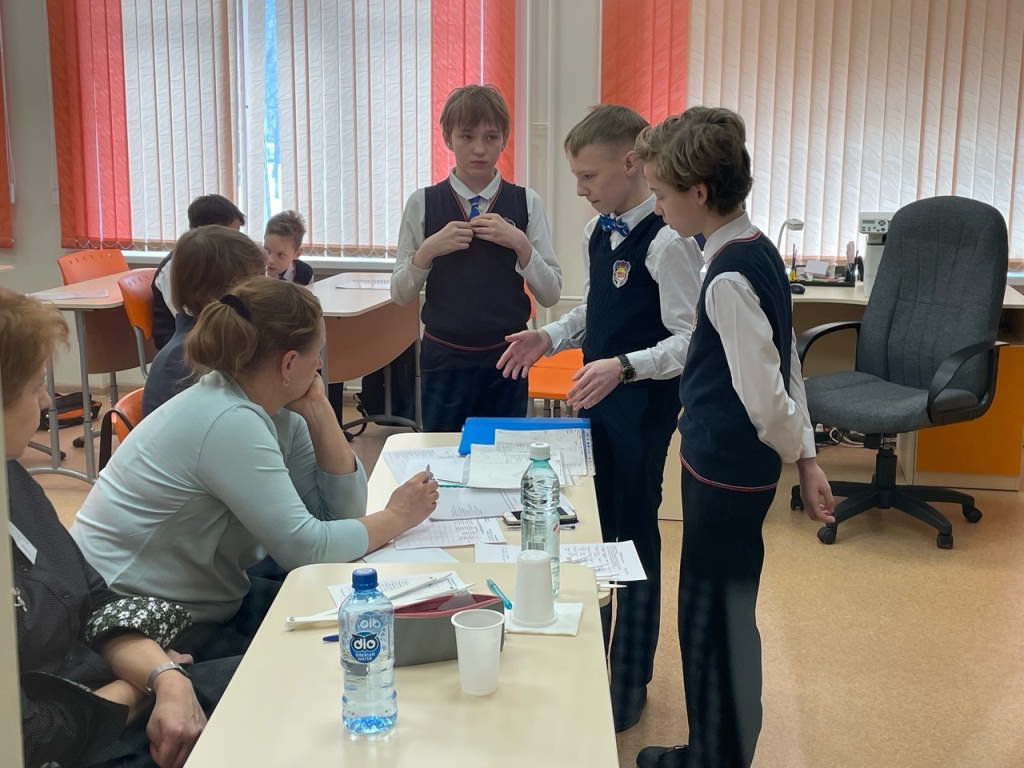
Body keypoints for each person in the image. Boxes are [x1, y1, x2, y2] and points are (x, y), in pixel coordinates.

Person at [72, 277, 439, 662]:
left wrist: (319, 410)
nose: (319, 365)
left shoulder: (273, 407)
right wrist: (398, 516)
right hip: (136, 618)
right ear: (289, 363)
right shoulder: (228, 420)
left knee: (347, 625)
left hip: (200, 597)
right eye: (317, 353)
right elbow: (308, 549)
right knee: (325, 658)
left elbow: (341, 519)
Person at [632, 108, 835, 768]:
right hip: (733, 472)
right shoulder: (755, 248)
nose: (657, 207)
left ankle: (712, 756)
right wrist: (807, 458)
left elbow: (766, 398)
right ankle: (720, 748)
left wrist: (796, 451)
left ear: (698, 192)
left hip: (724, 473)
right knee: (728, 609)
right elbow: (789, 360)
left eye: (662, 195)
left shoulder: (727, 280)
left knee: (711, 617)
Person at [497, 104, 704, 732]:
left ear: (631, 163)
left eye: (589, 176)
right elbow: (597, 310)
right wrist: (551, 336)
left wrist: (625, 367)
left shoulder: (668, 241)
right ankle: (596, 659)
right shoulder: (599, 231)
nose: (581, 189)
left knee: (632, 539)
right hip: (598, 400)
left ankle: (631, 677)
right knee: (595, 530)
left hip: (641, 407)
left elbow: (691, 340)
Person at [2, 287, 238, 768]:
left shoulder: (13, 480)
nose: (46, 400)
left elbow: (95, 598)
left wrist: (165, 678)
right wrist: (150, 685)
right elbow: (31, 738)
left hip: (107, 694)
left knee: (280, 675)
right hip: (80, 743)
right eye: (35, 386)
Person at [390, 83, 562, 432]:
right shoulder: (423, 203)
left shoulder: (526, 202)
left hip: (509, 357)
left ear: (504, 139)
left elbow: (551, 294)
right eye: (467, 137)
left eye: (491, 137)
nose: (480, 149)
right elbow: (400, 293)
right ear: (447, 138)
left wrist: (520, 243)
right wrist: (428, 250)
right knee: (444, 453)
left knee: (505, 454)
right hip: (444, 357)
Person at [143, 226, 267, 416]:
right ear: (228, 289)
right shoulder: (183, 357)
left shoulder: (227, 340)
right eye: (255, 280)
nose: (264, 288)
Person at [152, 194, 246, 349]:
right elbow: (186, 316)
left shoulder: (216, 260)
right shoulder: (172, 268)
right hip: (181, 342)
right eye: (232, 234)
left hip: (209, 331)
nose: (236, 241)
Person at [263, 209, 313, 284]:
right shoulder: (253, 270)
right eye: (267, 251)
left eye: (280, 254)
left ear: (297, 254)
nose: (270, 260)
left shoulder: (305, 273)